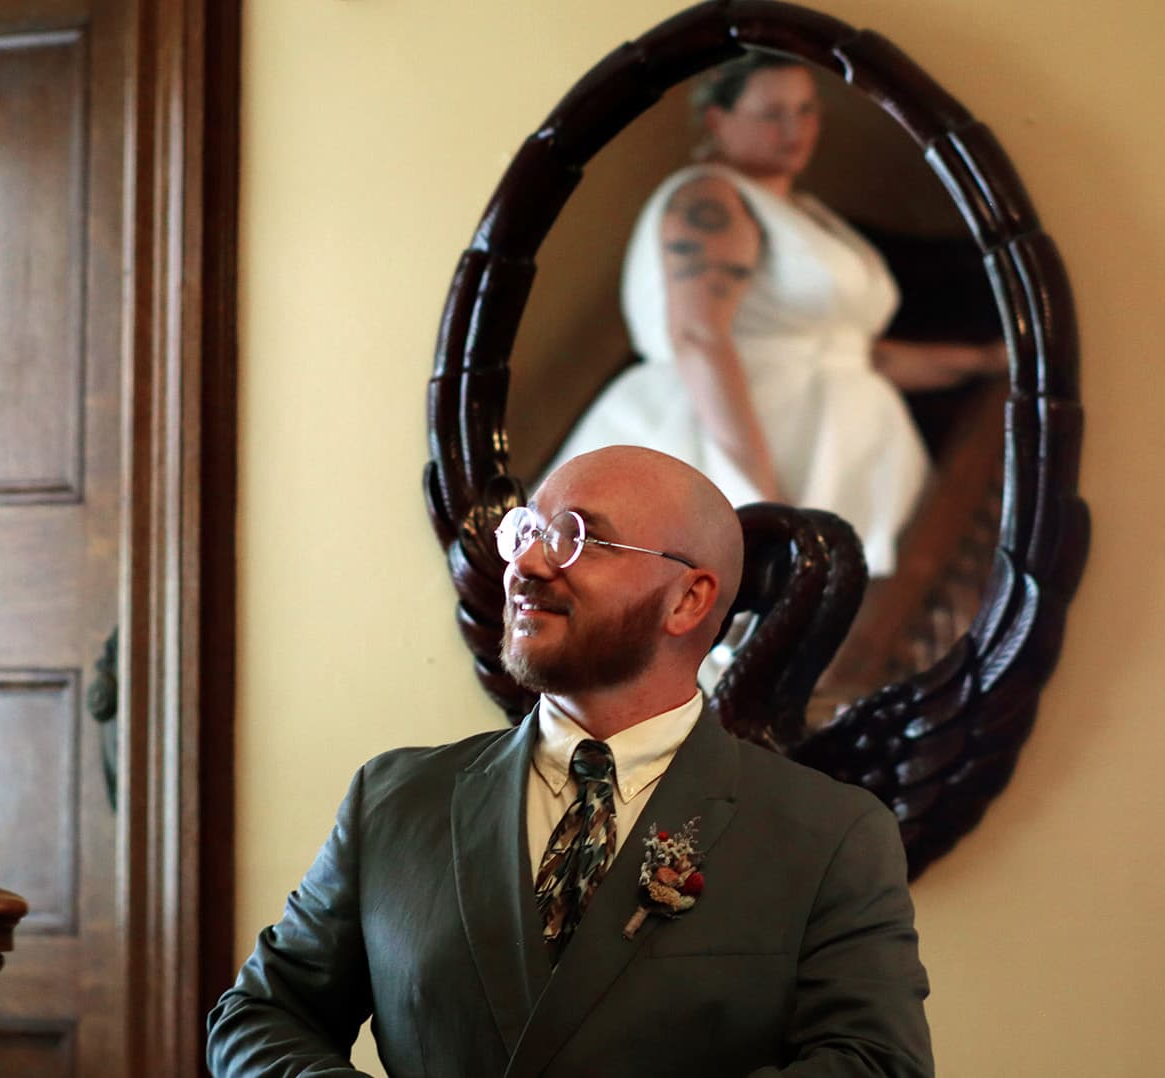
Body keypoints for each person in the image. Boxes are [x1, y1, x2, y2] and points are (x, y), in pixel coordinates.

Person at [207, 446, 934, 1077]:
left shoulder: (830, 834)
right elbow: (258, 1019)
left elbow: (875, 1064)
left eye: (576, 537)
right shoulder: (394, 800)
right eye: (527, 532)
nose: (525, 563)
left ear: (688, 599)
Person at [548, 51, 1001, 579]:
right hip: (746, 439)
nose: (796, 128)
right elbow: (699, 336)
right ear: (718, 120)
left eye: (807, 110)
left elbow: (857, 353)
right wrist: (761, 501)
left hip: (847, 446)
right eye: (772, 113)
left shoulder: (807, 214)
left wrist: (985, 360)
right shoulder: (709, 197)